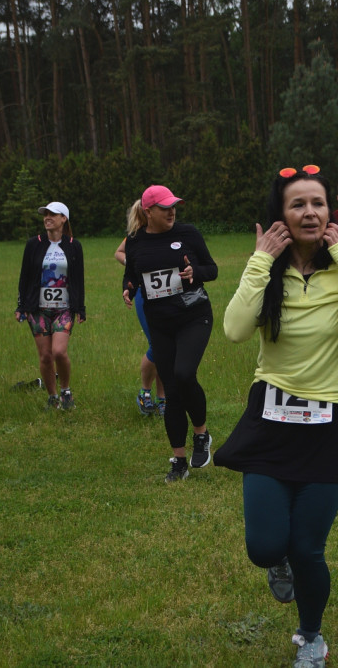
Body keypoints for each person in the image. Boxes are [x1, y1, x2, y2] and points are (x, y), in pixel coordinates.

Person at [214, 164, 338, 668]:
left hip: (332, 423)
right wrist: (260, 261)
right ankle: (277, 560)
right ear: (280, 216)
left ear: (331, 212)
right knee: (265, 547)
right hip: (271, 418)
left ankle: (311, 637)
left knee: (308, 548)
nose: (310, 212)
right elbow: (235, 331)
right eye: (297, 204)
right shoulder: (268, 270)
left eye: (318, 204)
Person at [122, 185, 217, 482]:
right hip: (160, 323)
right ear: (148, 212)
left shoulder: (187, 234)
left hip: (194, 315)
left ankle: (201, 435)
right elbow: (131, 275)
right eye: (165, 208)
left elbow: (211, 269)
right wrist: (128, 289)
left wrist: (194, 273)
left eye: (174, 205)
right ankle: (179, 461)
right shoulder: (135, 241)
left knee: (185, 374)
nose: (172, 211)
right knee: (172, 391)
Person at [15, 202, 85, 411]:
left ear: (64, 219)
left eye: (53, 214)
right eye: (45, 214)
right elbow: (24, 277)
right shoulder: (33, 244)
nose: (47, 217)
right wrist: (21, 306)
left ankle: (65, 391)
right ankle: (52, 397)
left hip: (64, 308)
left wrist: (80, 308)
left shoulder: (74, 245)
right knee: (45, 356)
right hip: (38, 309)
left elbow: (79, 279)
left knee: (59, 352)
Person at [115, 200, 165, 416]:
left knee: (167, 348)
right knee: (157, 345)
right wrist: (134, 263)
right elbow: (119, 252)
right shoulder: (135, 238)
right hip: (145, 297)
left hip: (168, 297)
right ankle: (145, 393)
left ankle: (162, 398)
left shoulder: (169, 233)